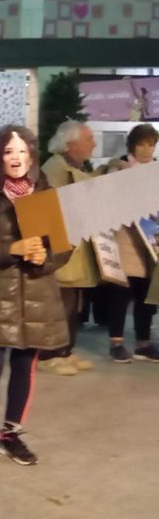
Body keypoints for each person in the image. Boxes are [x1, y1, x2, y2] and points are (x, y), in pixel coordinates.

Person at [0, 126, 71, 473]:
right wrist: (13, 248)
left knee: (25, 367)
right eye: (9, 151)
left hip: (38, 294)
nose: (16, 158)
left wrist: (46, 258)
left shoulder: (46, 195)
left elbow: (63, 248)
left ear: (33, 156)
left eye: (22, 151)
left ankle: (12, 434)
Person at [38, 120, 99, 376]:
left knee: (72, 303)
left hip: (74, 249)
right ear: (70, 144)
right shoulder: (54, 169)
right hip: (60, 249)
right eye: (89, 139)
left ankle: (65, 350)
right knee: (57, 303)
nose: (93, 144)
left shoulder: (73, 167)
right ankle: (48, 354)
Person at [100, 123, 159, 364]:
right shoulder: (118, 169)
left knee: (146, 295)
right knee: (121, 294)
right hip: (123, 240)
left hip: (151, 243)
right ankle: (116, 343)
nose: (146, 150)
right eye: (142, 144)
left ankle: (143, 343)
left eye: (151, 145)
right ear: (131, 145)